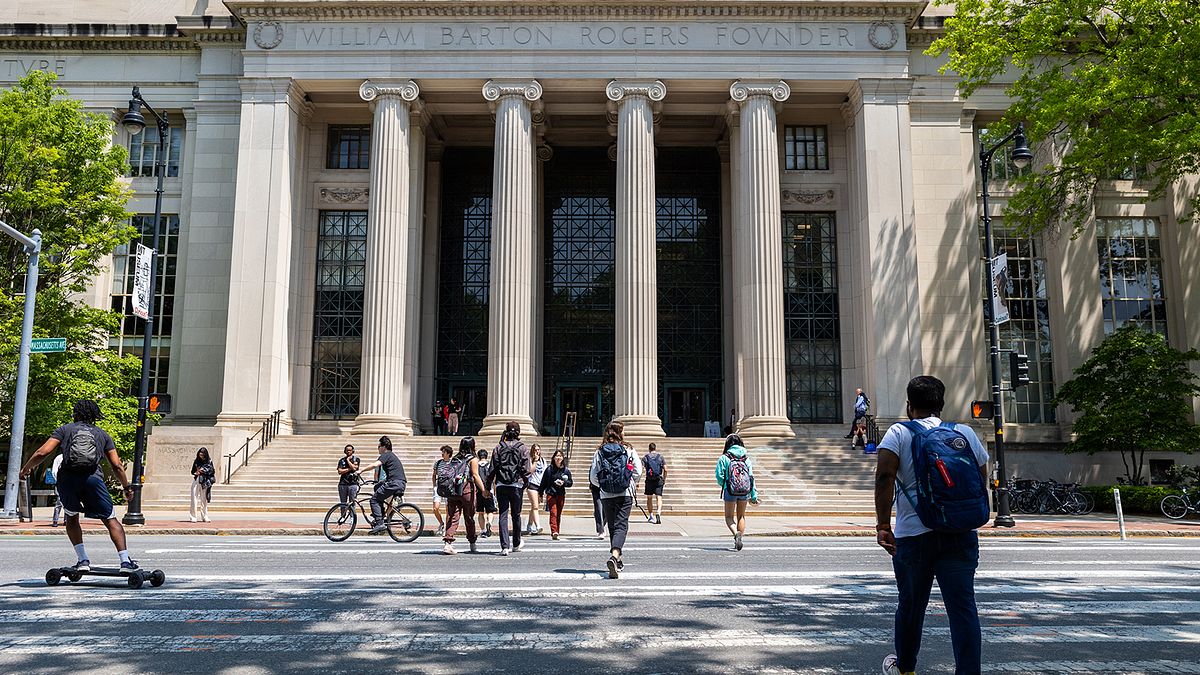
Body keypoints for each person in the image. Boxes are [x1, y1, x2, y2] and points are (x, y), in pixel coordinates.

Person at [875, 375, 988, 675]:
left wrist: (883, 525)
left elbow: (884, 476)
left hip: (914, 536)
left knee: (911, 607)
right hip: (959, 533)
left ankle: (905, 669)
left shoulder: (898, 433)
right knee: (963, 609)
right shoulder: (963, 433)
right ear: (942, 403)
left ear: (909, 405)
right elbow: (980, 478)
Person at [18, 400, 139, 573]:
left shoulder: (64, 430)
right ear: (95, 415)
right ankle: (125, 562)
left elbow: (42, 452)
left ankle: (83, 561)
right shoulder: (102, 435)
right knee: (110, 519)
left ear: (75, 414)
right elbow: (117, 465)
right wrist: (126, 487)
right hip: (93, 480)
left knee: (72, 517)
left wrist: (26, 469)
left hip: (68, 480)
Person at [589, 420, 641, 579]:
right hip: (625, 493)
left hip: (606, 495)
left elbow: (593, 476)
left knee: (612, 526)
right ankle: (615, 555)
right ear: (620, 433)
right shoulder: (629, 449)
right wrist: (630, 482)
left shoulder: (599, 451)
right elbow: (638, 471)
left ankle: (617, 560)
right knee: (621, 525)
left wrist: (603, 486)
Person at [485, 421, 532, 556]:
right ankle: (516, 543)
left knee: (503, 515)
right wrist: (525, 482)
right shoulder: (522, 448)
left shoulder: (499, 447)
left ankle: (504, 546)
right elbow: (526, 469)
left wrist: (488, 486)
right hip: (516, 485)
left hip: (501, 484)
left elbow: (492, 469)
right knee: (516, 515)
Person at [715, 433, 759, 551]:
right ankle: (740, 539)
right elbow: (751, 477)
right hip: (744, 491)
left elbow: (719, 476)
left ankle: (736, 534)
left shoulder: (724, 458)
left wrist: (726, 485)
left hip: (730, 490)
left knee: (729, 517)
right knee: (741, 516)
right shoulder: (746, 458)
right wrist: (753, 495)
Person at [443, 437, 486, 555]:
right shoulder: (473, 459)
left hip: (453, 490)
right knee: (469, 517)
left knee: (453, 516)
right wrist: (483, 490)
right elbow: (475, 475)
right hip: (467, 489)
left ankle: (448, 543)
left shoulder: (454, 458)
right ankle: (472, 543)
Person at [356, 436, 407, 533]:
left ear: (384, 447)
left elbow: (375, 465)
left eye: (379, 446)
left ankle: (380, 523)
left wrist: (361, 470)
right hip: (398, 482)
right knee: (377, 487)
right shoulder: (391, 455)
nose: (378, 448)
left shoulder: (386, 455)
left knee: (373, 500)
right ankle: (380, 512)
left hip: (394, 483)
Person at [538, 449, 573, 540]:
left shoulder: (565, 470)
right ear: (553, 458)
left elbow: (570, 483)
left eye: (560, 456)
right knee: (553, 513)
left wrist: (564, 483)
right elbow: (543, 482)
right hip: (551, 493)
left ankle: (557, 531)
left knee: (558, 514)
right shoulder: (549, 469)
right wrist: (540, 493)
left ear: (563, 458)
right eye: (557, 456)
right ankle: (554, 531)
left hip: (561, 494)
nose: (558, 458)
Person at [524, 443, 547, 535]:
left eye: (538, 450)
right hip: (532, 485)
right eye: (535, 450)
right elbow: (530, 471)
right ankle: (538, 526)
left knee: (534, 507)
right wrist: (535, 461)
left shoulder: (543, 460)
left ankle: (529, 525)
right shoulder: (530, 460)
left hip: (540, 486)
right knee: (535, 507)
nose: (537, 452)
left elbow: (545, 473)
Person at [641, 442, 667, 524]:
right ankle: (658, 512)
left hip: (649, 480)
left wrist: (638, 480)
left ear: (649, 449)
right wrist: (664, 479)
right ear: (655, 448)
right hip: (658, 479)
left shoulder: (645, 457)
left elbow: (641, 469)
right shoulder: (660, 457)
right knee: (659, 497)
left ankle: (651, 516)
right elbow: (666, 469)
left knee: (649, 498)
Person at [431, 444, 453, 536]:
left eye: (444, 452)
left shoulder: (453, 463)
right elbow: (434, 475)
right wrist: (434, 486)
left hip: (448, 487)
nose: (442, 454)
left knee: (448, 509)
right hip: (439, 487)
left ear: (448, 453)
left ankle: (447, 527)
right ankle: (441, 523)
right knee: (435, 508)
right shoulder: (438, 463)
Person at [189, 447, 215, 523]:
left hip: (205, 481)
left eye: (203, 454)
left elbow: (212, 471)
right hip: (196, 480)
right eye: (200, 454)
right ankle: (193, 517)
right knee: (194, 499)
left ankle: (205, 516)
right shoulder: (196, 461)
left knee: (204, 500)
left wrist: (203, 471)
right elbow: (192, 471)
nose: (201, 456)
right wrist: (196, 472)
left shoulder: (209, 461)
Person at [475, 448, 497, 537]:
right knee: (490, 511)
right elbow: (494, 479)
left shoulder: (476, 465)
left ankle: (483, 530)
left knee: (480, 512)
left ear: (478, 456)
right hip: (489, 490)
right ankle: (489, 522)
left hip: (479, 491)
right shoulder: (489, 466)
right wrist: (494, 491)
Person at [336, 443, 361, 514]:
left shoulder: (356, 459)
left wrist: (348, 460)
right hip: (343, 484)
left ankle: (352, 516)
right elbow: (340, 471)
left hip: (353, 484)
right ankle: (343, 516)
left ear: (353, 451)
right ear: (345, 451)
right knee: (343, 503)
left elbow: (355, 468)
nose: (348, 452)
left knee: (352, 503)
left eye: (350, 450)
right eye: (347, 450)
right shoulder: (341, 460)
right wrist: (350, 468)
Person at [44, 454, 62, 527]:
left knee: (68, 503)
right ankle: (55, 520)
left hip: (68, 482)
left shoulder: (72, 456)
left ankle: (66, 520)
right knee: (59, 502)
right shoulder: (59, 457)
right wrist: (57, 480)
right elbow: (54, 470)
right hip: (60, 482)